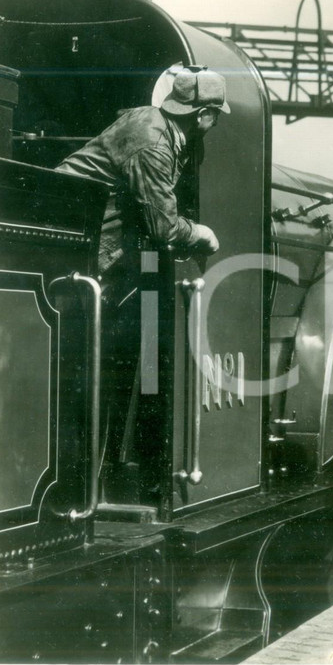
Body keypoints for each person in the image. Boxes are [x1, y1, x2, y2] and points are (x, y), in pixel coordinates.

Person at [55, 65, 226, 485]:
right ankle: (86, 479)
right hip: (72, 253)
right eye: (215, 115)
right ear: (204, 115)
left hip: (79, 246)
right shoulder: (153, 144)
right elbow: (164, 228)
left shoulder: (153, 123)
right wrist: (201, 233)